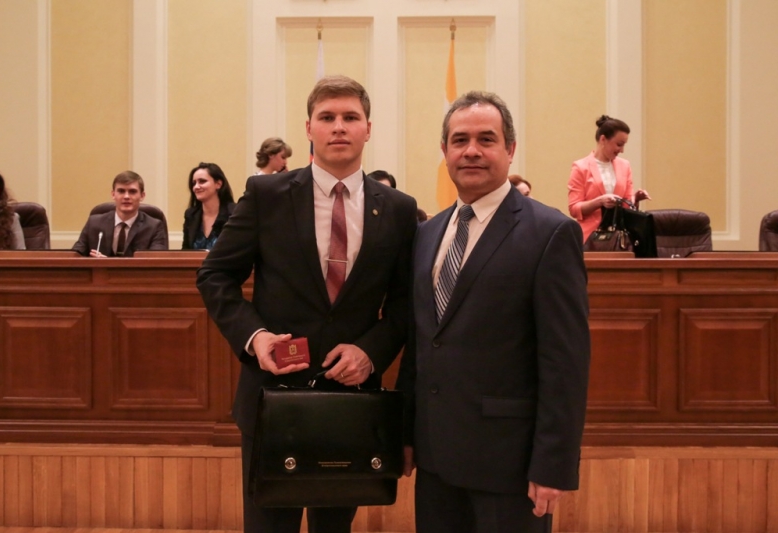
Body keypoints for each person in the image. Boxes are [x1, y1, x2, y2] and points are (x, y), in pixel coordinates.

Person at [196, 75, 418, 533]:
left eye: (350, 117)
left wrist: (370, 352)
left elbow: (404, 304)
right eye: (327, 117)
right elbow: (215, 275)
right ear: (309, 128)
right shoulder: (267, 195)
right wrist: (255, 338)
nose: (339, 126)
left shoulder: (398, 208)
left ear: (368, 128)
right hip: (273, 397)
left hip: (351, 401)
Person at [396, 91, 590, 533]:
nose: (472, 151)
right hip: (435, 460)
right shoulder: (426, 234)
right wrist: (406, 433)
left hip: (509, 465)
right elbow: (421, 343)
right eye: (459, 140)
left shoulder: (550, 233)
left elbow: (565, 362)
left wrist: (553, 464)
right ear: (444, 151)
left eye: (486, 139)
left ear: (510, 149)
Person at [568, 115, 650, 242]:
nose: (622, 150)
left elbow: (626, 208)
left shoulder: (625, 166)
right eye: (619, 144)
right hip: (590, 238)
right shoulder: (580, 167)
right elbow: (574, 209)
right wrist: (599, 201)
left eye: (624, 145)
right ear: (603, 139)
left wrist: (635, 199)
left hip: (619, 238)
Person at [72, 170, 168, 257]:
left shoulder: (154, 227)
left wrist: (108, 264)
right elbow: (75, 256)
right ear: (113, 194)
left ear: (142, 196)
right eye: (121, 191)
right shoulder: (94, 223)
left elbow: (156, 262)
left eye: (132, 192)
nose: (126, 196)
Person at [181, 162, 236, 250]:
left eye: (202, 181)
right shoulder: (191, 215)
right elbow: (185, 251)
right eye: (194, 183)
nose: (196, 187)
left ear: (218, 184)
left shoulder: (234, 213)